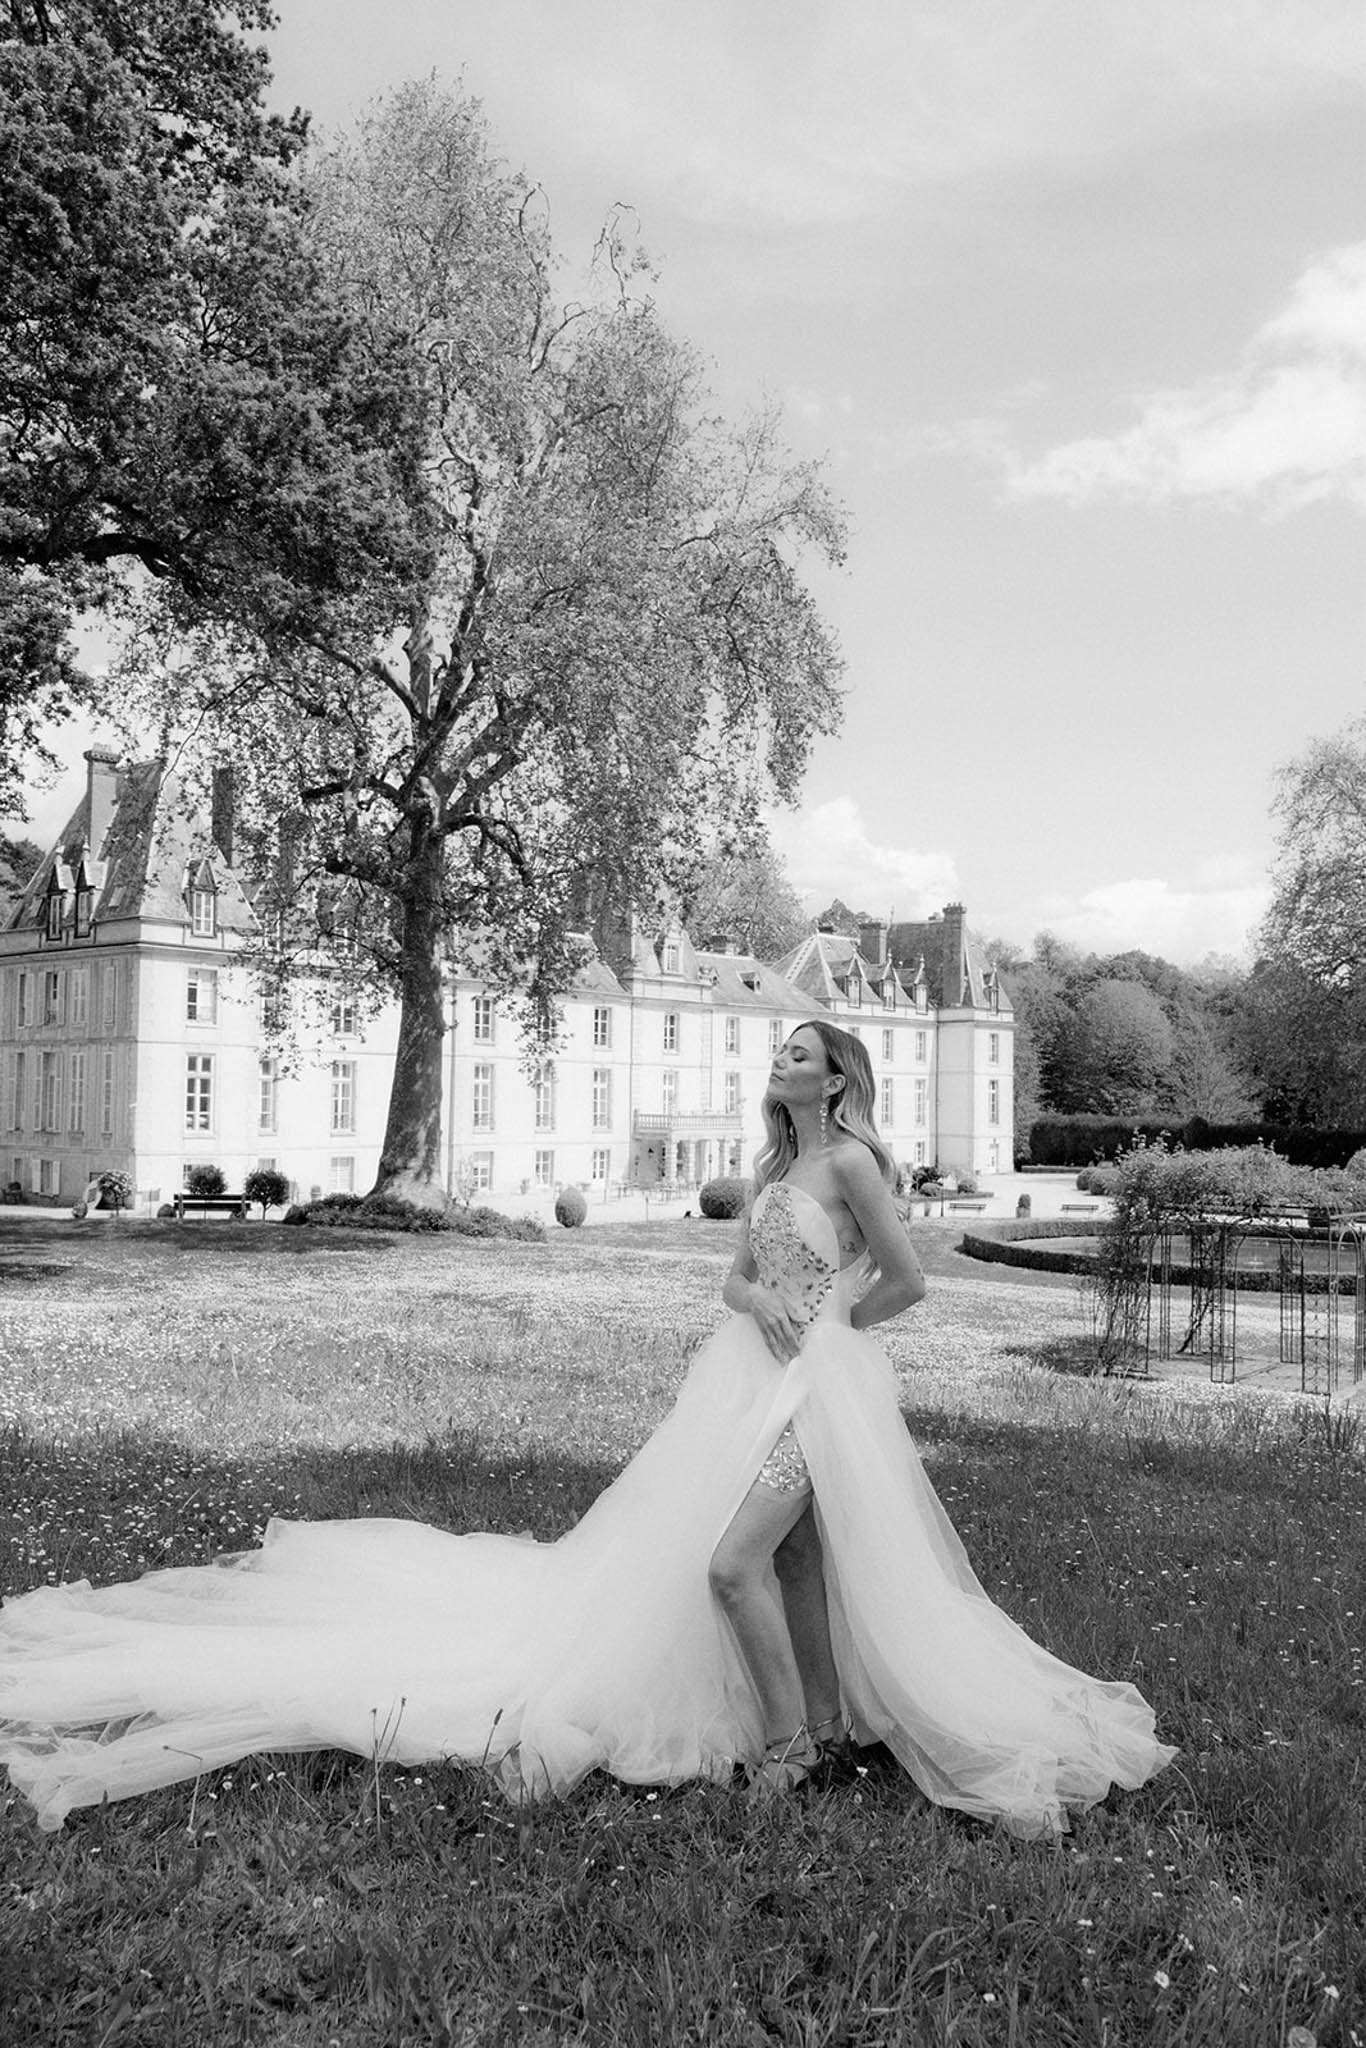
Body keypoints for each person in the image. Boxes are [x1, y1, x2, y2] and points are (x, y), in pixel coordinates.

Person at [0, 1022, 1175, 1837]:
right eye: (777, 1051)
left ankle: (790, 1748)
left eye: (799, 1053)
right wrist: (761, 1300)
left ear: (836, 1078)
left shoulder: (855, 1162)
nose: (779, 1060)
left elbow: (909, 1279)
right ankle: (818, 1725)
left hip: (819, 1390)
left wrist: (830, 1331)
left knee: (733, 1562)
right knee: (790, 1560)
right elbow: (732, 1278)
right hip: (744, 1373)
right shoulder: (778, 1161)